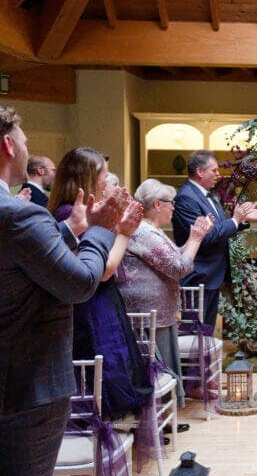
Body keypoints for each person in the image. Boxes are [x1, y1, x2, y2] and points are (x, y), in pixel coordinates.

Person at [0, 105, 124, 476]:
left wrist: (70, 231)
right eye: (25, 141)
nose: (27, 148)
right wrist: (103, 227)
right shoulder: (18, 214)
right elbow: (81, 283)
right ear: (8, 145)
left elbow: (24, 261)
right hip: (24, 385)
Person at [49, 147, 151, 419]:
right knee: (103, 381)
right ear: (89, 179)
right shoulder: (69, 215)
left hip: (102, 302)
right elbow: (103, 269)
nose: (107, 182)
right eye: (104, 176)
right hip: (91, 307)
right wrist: (125, 233)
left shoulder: (79, 211)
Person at [120, 178, 214, 405]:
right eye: (170, 202)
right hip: (148, 314)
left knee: (165, 367)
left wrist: (194, 239)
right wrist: (196, 238)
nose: (174, 206)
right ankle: (158, 419)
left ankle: (166, 414)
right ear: (157, 205)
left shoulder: (153, 231)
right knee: (156, 371)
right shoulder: (144, 233)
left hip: (160, 313)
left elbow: (175, 258)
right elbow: (179, 268)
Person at [172, 150, 257, 327]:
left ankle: (205, 356)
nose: (218, 174)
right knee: (195, 333)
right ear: (200, 172)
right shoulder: (186, 197)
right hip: (198, 275)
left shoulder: (207, 193)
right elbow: (207, 236)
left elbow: (220, 227)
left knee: (206, 331)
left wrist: (241, 221)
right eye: (214, 170)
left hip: (212, 274)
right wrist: (235, 219)